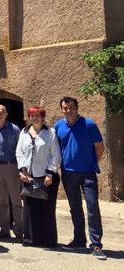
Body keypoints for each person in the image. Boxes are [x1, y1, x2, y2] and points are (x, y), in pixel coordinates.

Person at [54, 96, 106, 260]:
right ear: (62, 109)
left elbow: (100, 147)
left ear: (77, 107)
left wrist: (91, 162)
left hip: (88, 173)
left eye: (71, 107)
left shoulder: (89, 124)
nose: (68, 110)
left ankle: (96, 244)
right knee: (74, 207)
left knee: (92, 207)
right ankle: (78, 239)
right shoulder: (58, 126)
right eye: (65, 108)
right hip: (68, 173)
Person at [16, 105, 61, 248]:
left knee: (47, 209)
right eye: (32, 115)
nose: (34, 118)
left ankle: (48, 240)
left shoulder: (50, 133)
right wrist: (22, 170)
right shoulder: (23, 133)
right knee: (30, 209)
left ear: (43, 117)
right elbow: (19, 153)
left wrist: (50, 173)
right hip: (28, 177)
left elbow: (56, 155)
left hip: (46, 178)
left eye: (37, 115)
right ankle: (31, 240)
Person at [0, 104, 22, 241]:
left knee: (16, 201)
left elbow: (20, 149)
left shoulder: (14, 129)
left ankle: (19, 231)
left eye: (1, 112)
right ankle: (4, 230)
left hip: (12, 166)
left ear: (6, 114)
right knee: (1, 202)